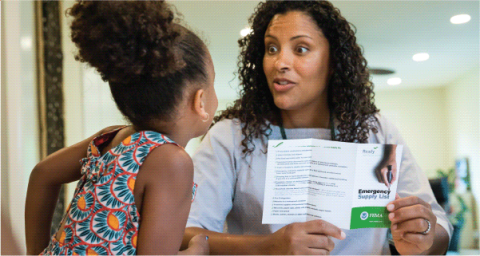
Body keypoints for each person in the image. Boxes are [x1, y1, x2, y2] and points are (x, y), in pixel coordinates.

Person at [182, 1, 453, 255]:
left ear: (333, 62)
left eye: (300, 49)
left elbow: (438, 229)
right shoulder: (232, 136)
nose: (280, 63)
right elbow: (185, 233)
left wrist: (424, 234)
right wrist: (267, 246)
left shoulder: (375, 130)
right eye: (271, 48)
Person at [25, 1, 217, 255]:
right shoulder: (172, 161)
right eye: (212, 82)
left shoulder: (111, 137)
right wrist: (197, 249)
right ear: (200, 100)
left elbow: (42, 173)